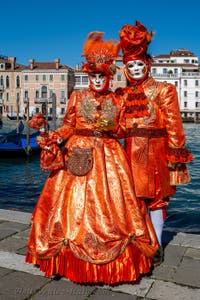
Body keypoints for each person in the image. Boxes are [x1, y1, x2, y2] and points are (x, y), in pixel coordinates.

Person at [26, 31, 159, 284]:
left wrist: (110, 127)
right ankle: (65, 260)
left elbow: (121, 130)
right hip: (78, 153)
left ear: (109, 77)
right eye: (94, 76)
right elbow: (68, 126)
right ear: (89, 76)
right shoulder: (78, 97)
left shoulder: (117, 98)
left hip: (110, 157)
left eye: (102, 76)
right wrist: (53, 135)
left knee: (118, 207)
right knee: (69, 207)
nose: (98, 80)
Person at [118, 20, 193, 265]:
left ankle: (157, 243)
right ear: (126, 68)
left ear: (147, 65)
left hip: (156, 154)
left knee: (157, 199)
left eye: (140, 64)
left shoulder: (164, 90)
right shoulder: (123, 95)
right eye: (132, 65)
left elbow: (174, 124)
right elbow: (118, 127)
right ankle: (139, 240)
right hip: (129, 154)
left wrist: (175, 157)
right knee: (133, 199)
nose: (137, 68)